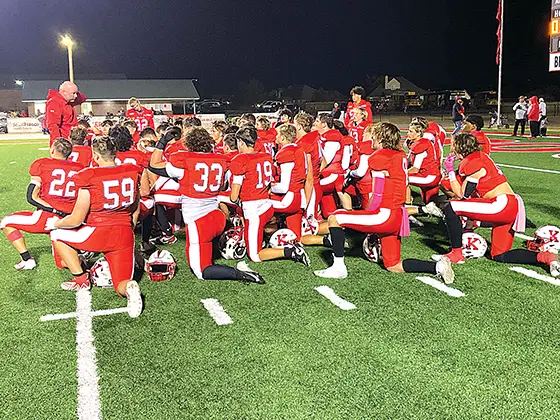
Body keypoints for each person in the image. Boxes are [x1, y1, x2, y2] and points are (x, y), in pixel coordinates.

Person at [311, 122, 454, 284]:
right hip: (399, 215)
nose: (372, 138)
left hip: (384, 214)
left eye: (374, 135)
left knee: (335, 218)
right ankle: (437, 267)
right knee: (393, 265)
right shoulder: (399, 155)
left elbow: (377, 193)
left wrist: (370, 221)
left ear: (380, 137)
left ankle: (338, 268)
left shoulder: (379, 158)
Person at [148, 127, 265, 284]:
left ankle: (241, 274)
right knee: (201, 248)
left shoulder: (185, 161)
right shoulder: (220, 161)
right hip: (217, 217)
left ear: (188, 143)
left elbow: (153, 165)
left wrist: (162, 142)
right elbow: (222, 187)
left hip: (199, 222)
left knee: (201, 271)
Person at [436, 133, 559, 277]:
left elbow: (462, 194)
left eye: (453, 145)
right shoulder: (480, 157)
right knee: (500, 255)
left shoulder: (472, 163)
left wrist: (450, 171)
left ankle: (456, 253)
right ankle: (546, 257)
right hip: (510, 205)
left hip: (501, 204)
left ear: (459, 147)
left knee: (452, 207)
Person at [49, 136, 144, 317]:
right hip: (124, 232)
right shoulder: (131, 172)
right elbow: (136, 208)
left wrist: (57, 222)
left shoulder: (89, 176)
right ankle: (130, 288)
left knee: (57, 235)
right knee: (121, 284)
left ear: (95, 155)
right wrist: (129, 227)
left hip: (98, 232)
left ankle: (81, 279)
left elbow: (76, 219)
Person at [229, 125, 310, 266]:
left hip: (254, 209)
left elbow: (234, 197)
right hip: (267, 206)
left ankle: (290, 251)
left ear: (241, 142)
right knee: (262, 228)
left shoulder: (240, 160)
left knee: (255, 256)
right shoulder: (265, 156)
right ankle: (263, 238)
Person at [1, 138, 84, 270]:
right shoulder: (80, 168)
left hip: (47, 216)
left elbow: (31, 196)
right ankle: (82, 258)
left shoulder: (42, 164)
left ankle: (27, 259)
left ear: (52, 150)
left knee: (6, 222)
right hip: (71, 218)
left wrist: (55, 210)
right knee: (62, 263)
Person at [45, 81, 87, 145]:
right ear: (64, 92)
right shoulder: (54, 102)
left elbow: (83, 98)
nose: (75, 96)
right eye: (73, 93)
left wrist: (74, 89)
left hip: (71, 140)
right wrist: (58, 144)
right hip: (64, 143)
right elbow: (53, 125)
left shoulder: (68, 101)